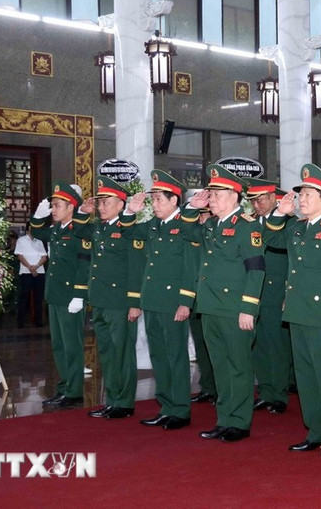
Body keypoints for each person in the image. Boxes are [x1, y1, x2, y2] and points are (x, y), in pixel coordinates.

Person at [265, 164, 321, 456]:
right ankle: (315, 430)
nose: (301, 199)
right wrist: (280, 211)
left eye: (308, 194)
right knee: (305, 377)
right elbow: (269, 238)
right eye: (300, 193)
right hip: (297, 313)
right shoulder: (295, 228)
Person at [186, 164, 265, 443]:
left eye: (218, 194)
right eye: (211, 194)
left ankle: (240, 422)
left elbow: (256, 270)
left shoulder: (247, 228)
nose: (212, 199)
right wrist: (192, 208)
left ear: (234, 196)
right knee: (219, 366)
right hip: (210, 307)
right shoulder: (209, 225)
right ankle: (224, 419)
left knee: (238, 366)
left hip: (234, 309)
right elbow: (185, 233)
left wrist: (248, 308)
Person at [122, 170, 199, 430]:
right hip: (153, 300)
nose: (154, 205)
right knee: (159, 356)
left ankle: (180, 410)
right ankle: (166, 405)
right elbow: (128, 234)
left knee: (176, 356)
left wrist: (185, 301)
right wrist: (130, 212)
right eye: (152, 200)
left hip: (173, 302)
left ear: (174, 201)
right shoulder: (154, 225)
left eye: (159, 200)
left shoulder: (186, 227)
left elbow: (191, 267)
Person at [72, 176, 146, 420]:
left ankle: (124, 403)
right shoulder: (99, 227)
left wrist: (135, 303)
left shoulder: (127, 229)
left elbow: (136, 268)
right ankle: (112, 399)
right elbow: (79, 230)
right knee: (107, 352)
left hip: (120, 302)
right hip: (101, 300)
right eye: (100, 202)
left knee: (122, 352)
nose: (101, 207)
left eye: (106, 202)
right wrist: (83, 212)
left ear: (121, 205)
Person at [30, 182, 91, 409]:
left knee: (72, 346)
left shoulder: (80, 230)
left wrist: (79, 295)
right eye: (53, 206)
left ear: (71, 207)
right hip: (55, 294)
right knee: (58, 345)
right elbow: (36, 231)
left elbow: (84, 266)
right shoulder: (56, 230)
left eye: (57, 206)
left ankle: (74, 391)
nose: (53, 210)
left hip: (70, 297)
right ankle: (65, 387)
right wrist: (37, 216)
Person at [246, 178, 292, 414]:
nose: (256, 205)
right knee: (258, 343)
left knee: (276, 344)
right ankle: (265, 390)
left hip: (277, 290)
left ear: (274, 198)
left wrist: (289, 292)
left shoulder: (288, 222)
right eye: (253, 201)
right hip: (255, 292)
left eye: (261, 199)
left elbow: (295, 261)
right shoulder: (250, 222)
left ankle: (279, 394)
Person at [189, 204, 217, 405]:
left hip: (213, 298)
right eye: (199, 215)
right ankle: (207, 386)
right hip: (194, 297)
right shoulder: (196, 234)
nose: (202, 218)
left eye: (205, 214)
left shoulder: (215, 234)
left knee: (216, 348)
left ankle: (218, 388)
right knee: (201, 346)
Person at [14, 224, 47, 328]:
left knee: (38, 297)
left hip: (39, 272)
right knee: (23, 297)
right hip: (26, 272)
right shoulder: (21, 240)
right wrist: (30, 267)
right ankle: (20, 322)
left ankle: (38, 321)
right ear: (28, 229)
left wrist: (36, 267)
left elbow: (44, 256)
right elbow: (20, 256)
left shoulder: (39, 241)